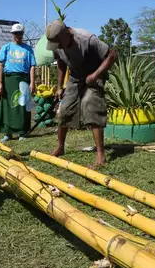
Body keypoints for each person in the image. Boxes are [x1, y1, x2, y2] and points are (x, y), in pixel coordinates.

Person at [46, 20, 117, 167]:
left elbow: (111, 55)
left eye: (59, 43)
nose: (57, 47)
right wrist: (59, 86)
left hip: (93, 75)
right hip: (75, 77)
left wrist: (96, 75)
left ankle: (100, 155)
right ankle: (60, 147)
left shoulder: (87, 39)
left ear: (66, 33)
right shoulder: (57, 43)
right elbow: (61, 63)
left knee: (91, 108)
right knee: (64, 111)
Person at [0, 23, 36, 142]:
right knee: (8, 105)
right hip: (8, 79)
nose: (18, 36)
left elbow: (32, 67)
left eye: (20, 33)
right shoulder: (6, 47)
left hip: (23, 79)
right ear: (12, 34)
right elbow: (0, 65)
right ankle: (7, 133)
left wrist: (32, 83)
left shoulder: (28, 49)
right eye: (16, 34)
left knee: (22, 105)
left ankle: (22, 132)